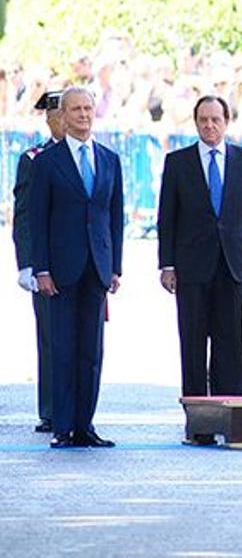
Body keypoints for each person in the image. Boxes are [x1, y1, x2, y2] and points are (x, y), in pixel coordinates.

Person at [157, 96, 242, 426]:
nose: (210, 125)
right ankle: (199, 419)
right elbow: (167, 217)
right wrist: (167, 264)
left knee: (230, 338)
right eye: (203, 119)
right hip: (192, 265)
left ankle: (232, 414)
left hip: (231, 261)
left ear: (227, 121)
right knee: (193, 339)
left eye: (216, 119)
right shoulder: (179, 162)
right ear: (196, 122)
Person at [30, 87, 124, 448]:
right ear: (63, 116)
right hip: (61, 269)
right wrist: (41, 270)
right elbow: (38, 220)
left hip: (97, 268)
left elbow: (114, 216)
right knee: (63, 348)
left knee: (91, 351)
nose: (84, 115)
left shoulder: (109, 159)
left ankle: (86, 425)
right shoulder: (46, 162)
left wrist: (115, 266)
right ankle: (64, 426)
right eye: (76, 110)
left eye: (88, 108)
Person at [12, 89, 65, 434]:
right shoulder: (35, 158)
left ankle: (78, 407)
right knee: (50, 337)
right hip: (48, 261)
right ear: (49, 118)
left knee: (83, 340)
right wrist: (27, 263)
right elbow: (25, 215)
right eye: (62, 113)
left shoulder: (93, 156)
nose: (70, 118)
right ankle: (51, 408)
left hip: (82, 259)